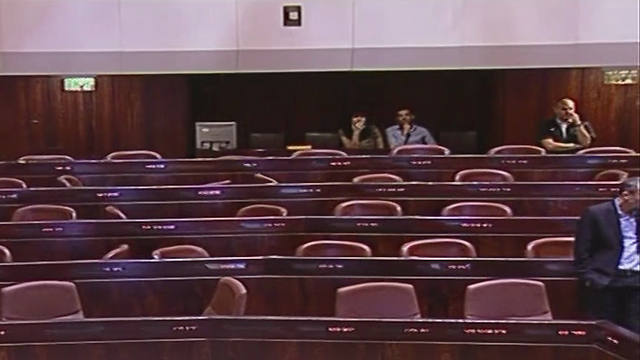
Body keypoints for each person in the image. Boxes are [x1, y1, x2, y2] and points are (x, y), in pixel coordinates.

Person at [575, 176, 639, 333]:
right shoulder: (596, 213)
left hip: (636, 281)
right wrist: (593, 278)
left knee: (635, 332)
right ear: (626, 195)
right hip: (607, 281)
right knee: (607, 333)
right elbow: (582, 251)